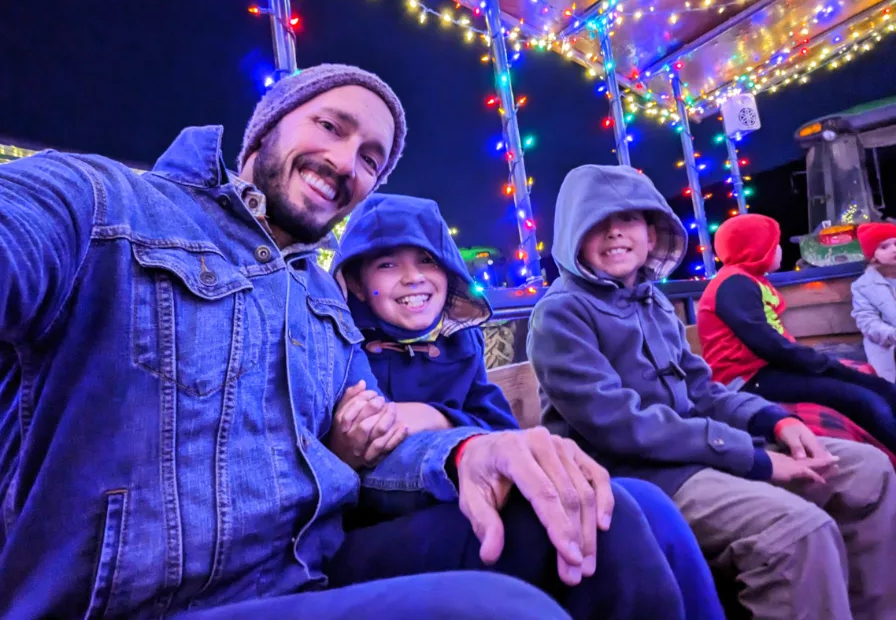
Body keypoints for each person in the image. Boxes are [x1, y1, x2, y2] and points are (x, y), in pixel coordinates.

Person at [0, 65, 675, 620]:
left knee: (603, 521)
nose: (346, 162)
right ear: (266, 128)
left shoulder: (321, 300)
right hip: (150, 602)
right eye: (331, 126)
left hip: (309, 569)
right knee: (493, 610)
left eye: (370, 159)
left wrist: (466, 450)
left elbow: (374, 446)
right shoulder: (106, 207)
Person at [328, 192, 723, 619]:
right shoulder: (341, 351)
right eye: (387, 265)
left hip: (473, 491)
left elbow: (499, 424)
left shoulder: (459, 342)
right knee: (601, 524)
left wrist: (438, 418)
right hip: (383, 523)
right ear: (355, 284)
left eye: (426, 260)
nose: (412, 278)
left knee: (645, 500)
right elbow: (357, 464)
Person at [527, 164, 896, 620]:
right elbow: (620, 427)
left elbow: (702, 390)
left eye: (628, 219)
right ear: (572, 237)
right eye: (596, 222)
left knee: (867, 471)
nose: (614, 233)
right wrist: (754, 457)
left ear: (651, 232)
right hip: (632, 475)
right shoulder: (561, 314)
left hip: (695, 451)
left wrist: (775, 420)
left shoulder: (654, 301)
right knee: (795, 531)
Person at [697, 213, 896, 453]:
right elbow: (767, 343)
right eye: (774, 244)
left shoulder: (752, 279)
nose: (779, 250)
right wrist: (820, 363)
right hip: (746, 379)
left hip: (767, 368)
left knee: (877, 385)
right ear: (756, 247)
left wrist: (821, 363)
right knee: (860, 398)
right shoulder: (733, 284)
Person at [852, 221, 896, 382]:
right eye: (884, 247)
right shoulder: (863, 286)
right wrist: (892, 335)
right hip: (889, 351)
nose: (894, 250)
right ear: (872, 256)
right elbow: (868, 322)